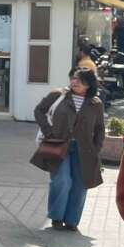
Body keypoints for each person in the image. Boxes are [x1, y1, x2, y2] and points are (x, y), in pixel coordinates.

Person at [34, 69, 104, 233]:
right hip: (59, 145)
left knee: (80, 185)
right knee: (62, 180)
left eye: (79, 80)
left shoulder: (95, 103)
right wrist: (48, 131)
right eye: (73, 78)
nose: (74, 82)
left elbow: (100, 128)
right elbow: (39, 110)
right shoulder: (58, 95)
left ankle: (72, 220)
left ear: (88, 85)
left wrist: (96, 148)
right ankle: (57, 217)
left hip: (84, 150)